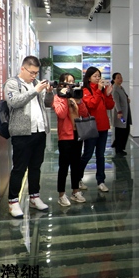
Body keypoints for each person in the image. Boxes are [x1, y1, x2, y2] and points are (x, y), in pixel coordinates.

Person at [4, 56, 54, 218]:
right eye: (31, 72)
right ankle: (13, 201)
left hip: (39, 131)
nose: (34, 76)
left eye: (36, 73)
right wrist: (35, 90)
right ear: (23, 68)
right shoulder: (12, 83)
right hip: (22, 134)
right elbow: (15, 102)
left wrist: (49, 93)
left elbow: (47, 104)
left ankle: (34, 197)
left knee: (35, 167)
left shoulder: (36, 83)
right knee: (19, 168)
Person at [53, 73, 88, 206]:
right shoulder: (58, 97)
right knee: (63, 166)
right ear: (62, 84)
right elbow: (61, 114)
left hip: (77, 134)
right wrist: (65, 98)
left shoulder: (76, 95)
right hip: (65, 136)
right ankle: (61, 194)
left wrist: (79, 101)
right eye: (69, 82)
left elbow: (84, 113)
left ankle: (75, 191)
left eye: (73, 81)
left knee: (76, 165)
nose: (72, 84)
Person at [79, 67, 115, 193]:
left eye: (99, 76)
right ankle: (77, 178)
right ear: (89, 78)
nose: (98, 78)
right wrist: (99, 91)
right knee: (87, 154)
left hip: (103, 126)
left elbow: (110, 106)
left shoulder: (102, 90)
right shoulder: (85, 90)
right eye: (95, 76)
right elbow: (91, 105)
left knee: (101, 155)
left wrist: (108, 95)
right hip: (91, 127)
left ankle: (101, 181)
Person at [111, 72, 131, 156]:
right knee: (121, 130)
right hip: (120, 114)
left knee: (125, 129)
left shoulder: (121, 87)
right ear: (114, 79)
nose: (120, 79)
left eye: (121, 77)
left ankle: (117, 145)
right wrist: (119, 112)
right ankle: (119, 149)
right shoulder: (115, 89)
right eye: (118, 78)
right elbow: (116, 102)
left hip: (125, 113)